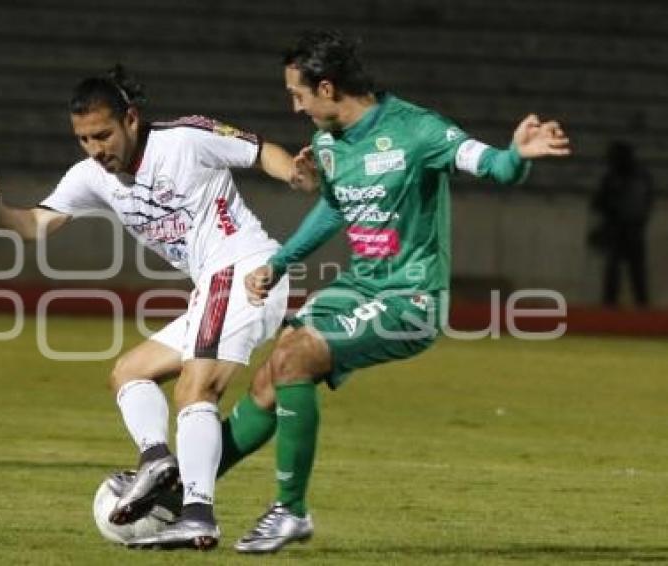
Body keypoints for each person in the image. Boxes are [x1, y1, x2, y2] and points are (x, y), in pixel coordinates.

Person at [226, 30, 571, 554]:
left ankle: (290, 512)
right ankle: (186, 487)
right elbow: (338, 208)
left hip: (411, 300)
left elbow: (492, 165)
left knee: (295, 357)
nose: (293, 106)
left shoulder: (418, 130)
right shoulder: (328, 141)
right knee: (270, 380)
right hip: (357, 287)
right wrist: (280, 263)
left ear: (326, 86)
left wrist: (516, 154)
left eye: (297, 94)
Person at [0, 65, 315, 550]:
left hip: (246, 269)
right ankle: (157, 459)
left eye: (103, 135)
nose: (96, 149)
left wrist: (295, 174)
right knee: (128, 372)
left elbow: (261, 151)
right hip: (212, 287)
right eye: (84, 139)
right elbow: (34, 226)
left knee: (197, 388)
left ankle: (198, 514)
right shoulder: (91, 176)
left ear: (131, 119)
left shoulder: (186, 139)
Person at [590, 141, 654, 307]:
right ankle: (612, 307)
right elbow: (598, 202)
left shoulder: (636, 177)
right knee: (616, 271)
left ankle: (640, 308)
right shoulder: (613, 177)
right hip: (619, 229)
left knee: (635, 272)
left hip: (630, 229)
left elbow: (645, 203)